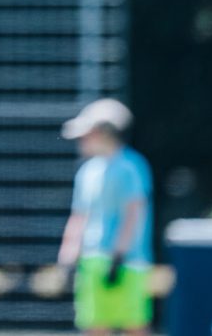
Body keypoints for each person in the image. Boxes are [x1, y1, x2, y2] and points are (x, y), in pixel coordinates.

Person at [57, 98, 153, 336]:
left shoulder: (131, 167)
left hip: (128, 263)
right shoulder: (87, 171)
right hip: (92, 261)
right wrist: (68, 256)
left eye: (86, 134)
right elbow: (79, 217)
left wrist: (118, 256)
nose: (81, 141)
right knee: (94, 325)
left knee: (134, 324)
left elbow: (133, 214)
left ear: (103, 132)